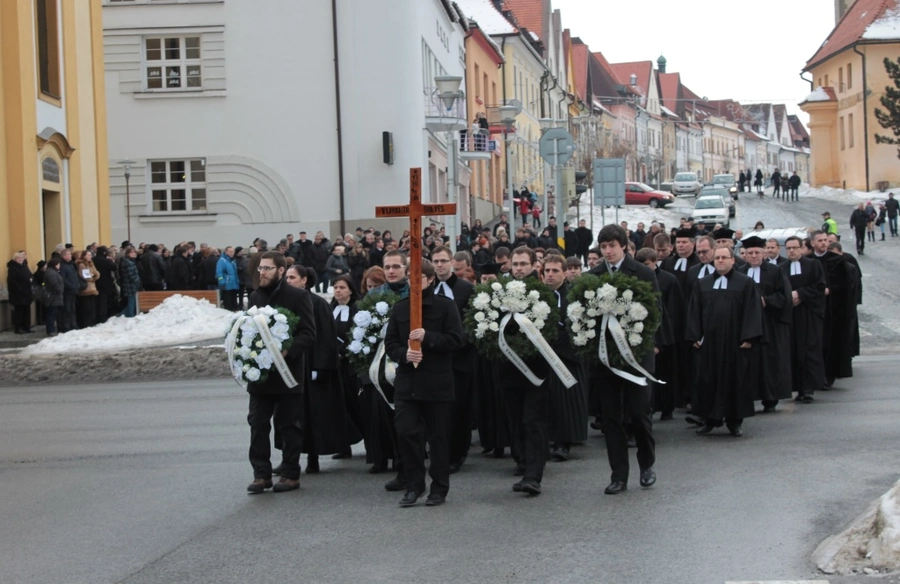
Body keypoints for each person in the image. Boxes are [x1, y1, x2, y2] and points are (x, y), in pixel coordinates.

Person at [384, 259, 465, 507]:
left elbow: (456, 340)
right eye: (411, 278)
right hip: (408, 383)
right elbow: (391, 344)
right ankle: (414, 485)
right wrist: (404, 354)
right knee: (407, 432)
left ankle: (439, 488)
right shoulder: (400, 309)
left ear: (430, 280)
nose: (414, 283)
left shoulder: (446, 306)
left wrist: (428, 337)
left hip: (437, 382)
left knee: (439, 438)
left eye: (419, 278)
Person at [588, 225, 661, 494]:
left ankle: (647, 464)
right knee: (611, 418)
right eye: (603, 247)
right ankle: (618, 474)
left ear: (623, 246)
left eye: (612, 246)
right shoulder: (593, 276)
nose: (607, 251)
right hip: (605, 359)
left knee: (640, 412)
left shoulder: (642, 273)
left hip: (636, 357)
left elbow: (654, 311)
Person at [245, 252, 317, 494]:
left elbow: (308, 333)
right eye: (260, 269)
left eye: (266, 269)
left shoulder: (298, 296)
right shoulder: (255, 296)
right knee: (257, 423)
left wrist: (287, 351)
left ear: (280, 271)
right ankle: (261, 475)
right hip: (261, 374)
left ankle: (290, 474)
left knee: (288, 426)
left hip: (288, 373)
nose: (261, 272)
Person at [285, 266, 359, 472]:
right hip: (291, 364)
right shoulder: (285, 301)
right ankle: (288, 458)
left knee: (313, 415)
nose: (287, 280)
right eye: (286, 277)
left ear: (304, 280)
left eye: (292, 277)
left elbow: (325, 338)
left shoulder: (317, 304)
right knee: (291, 415)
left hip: (311, 365)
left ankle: (312, 457)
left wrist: (320, 366)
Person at [686, 246, 763, 437]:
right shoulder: (703, 284)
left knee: (735, 381)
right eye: (717, 257)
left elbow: (752, 312)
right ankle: (709, 419)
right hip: (709, 343)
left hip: (734, 343)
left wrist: (749, 337)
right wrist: (694, 335)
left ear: (733, 260)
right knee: (707, 379)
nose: (720, 261)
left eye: (724, 257)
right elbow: (694, 310)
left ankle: (734, 422)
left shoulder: (745, 283)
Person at [431, 246, 475, 474]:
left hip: (459, 360)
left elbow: (472, 323)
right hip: (434, 360)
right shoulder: (426, 289)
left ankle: (458, 453)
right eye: (435, 261)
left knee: (459, 409)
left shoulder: (466, 289)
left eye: (443, 260)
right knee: (438, 411)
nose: (439, 265)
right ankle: (440, 452)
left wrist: (453, 344)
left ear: (451, 262)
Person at [738, 236, 793, 413]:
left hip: (771, 323)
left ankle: (771, 398)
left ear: (763, 253)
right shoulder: (740, 272)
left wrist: (766, 301)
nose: (754, 256)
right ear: (745, 255)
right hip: (748, 325)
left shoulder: (775, 272)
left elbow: (784, 296)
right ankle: (750, 396)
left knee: (771, 362)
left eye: (757, 253)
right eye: (750, 253)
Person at [542, 254, 588, 462]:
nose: (550, 275)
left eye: (555, 271)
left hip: (567, 356)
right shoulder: (538, 295)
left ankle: (564, 442)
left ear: (564, 273)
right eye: (547, 271)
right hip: (542, 356)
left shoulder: (574, 295)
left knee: (565, 401)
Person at [636, 248, 683, 421]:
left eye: (647, 264)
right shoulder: (636, 279)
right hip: (646, 333)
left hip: (665, 333)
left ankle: (667, 407)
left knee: (665, 373)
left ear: (655, 262)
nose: (645, 268)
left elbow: (672, 309)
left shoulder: (668, 279)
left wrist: (663, 338)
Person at [780, 236, 826, 403]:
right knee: (793, 352)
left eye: (794, 247)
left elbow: (820, 287)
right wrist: (788, 298)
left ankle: (809, 388)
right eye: (788, 248)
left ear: (801, 248)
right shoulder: (781, 268)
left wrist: (800, 294)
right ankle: (797, 387)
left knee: (809, 351)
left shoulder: (813, 265)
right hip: (790, 316)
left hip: (808, 315)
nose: (791, 251)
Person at [7, 251, 34, 334]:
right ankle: (18, 328)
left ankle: (27, 327)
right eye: (19, 258)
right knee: (19, 312)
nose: (21, 259)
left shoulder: (24, 266)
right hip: (18, 294)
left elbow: (30, 274)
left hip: (26, 292)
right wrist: (19, 288)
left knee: (27, 311)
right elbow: (12, 280)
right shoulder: (12, 268)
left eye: (22, 258)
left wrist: (31, 279)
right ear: (15, 259)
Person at [75, 250, 100, 329]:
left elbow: (97, 273)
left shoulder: (91, 264)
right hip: (86, 289)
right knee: (86, 308)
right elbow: (86, 276)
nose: (90, 256)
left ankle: (92, 322)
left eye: (90, 255)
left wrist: (93, 276)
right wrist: (92, 277)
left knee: (92, 308)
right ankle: (86, 323)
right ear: (84, 256)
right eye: (88, 255)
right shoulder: (82, 264)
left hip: (92, 288)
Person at [58, 248, 80, 332]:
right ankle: (66, 326)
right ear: (64, 256)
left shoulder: (71, 264)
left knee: (72, 308)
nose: (71, 256)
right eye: (69, 254)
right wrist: (71, 286)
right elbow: (63, 279)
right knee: (67, 308)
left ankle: (73, 324)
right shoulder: (63, 266)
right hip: (67, 291)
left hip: (73, 290)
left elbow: (74, 276)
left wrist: (77, 284)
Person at [117, 246, 142, 318]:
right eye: (132, 252)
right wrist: (137, 281)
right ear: (128, 253)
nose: (134, 254)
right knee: (132, 300)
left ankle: (123, 314)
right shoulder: (128, 262)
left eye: (134, 252)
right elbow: (131, 275)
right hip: (130, 285)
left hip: (130, 284)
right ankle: (130, 315)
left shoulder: (129, 261)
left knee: (132, 300)